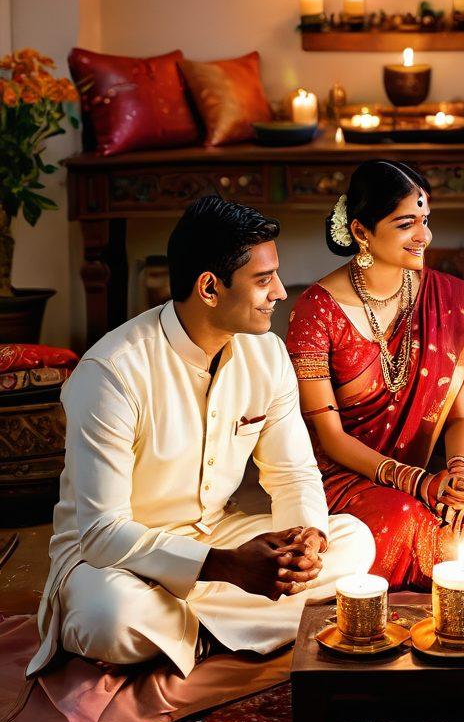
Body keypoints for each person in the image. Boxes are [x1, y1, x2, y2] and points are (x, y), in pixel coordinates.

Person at [27, 196, 374, 679]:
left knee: (354, 542)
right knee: (110, 619)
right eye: (262, 279)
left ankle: (189, 635)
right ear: (210, 288)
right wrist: (226, 568)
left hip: (216, 540)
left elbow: (293, 473)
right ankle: (232, 628)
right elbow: (102, 533)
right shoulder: (112, 372)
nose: (279, 291)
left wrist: (305, 540)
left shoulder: (268, 354)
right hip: (114, 562)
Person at [285, 159, 464, 589]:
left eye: (426, 220)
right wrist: (415, 482)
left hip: (424, 474)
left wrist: (459, 473)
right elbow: (329, 438)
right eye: (407, 223)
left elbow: (460, 418)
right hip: (341, 475)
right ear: (361, 232)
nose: (424, 236)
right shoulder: (315, 311)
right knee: (403, 519)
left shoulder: (444, 299)